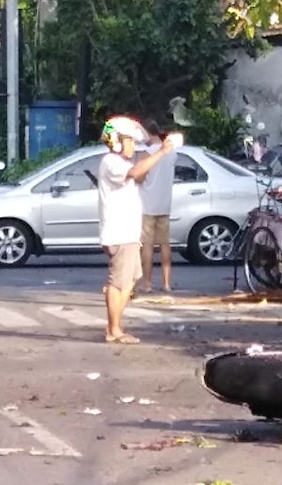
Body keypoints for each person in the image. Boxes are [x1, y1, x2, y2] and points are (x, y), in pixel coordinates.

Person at [98, 116, 174, 344]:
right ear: (116, 141)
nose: (133, 145)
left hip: (128, 233)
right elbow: (134, 174)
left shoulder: (121, 164)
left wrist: (148, 160)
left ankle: (115, 326)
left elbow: (138, 176)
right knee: (118, 282)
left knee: (129, 281)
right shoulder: (111, 162)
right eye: (129, 141)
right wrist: (161, 152)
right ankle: (114, 330)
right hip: (119, 233)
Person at [138, 119, 177, 293]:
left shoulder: (147, 153)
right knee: (164, 245)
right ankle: (166, 283)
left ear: (147, 133)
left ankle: (147, 283)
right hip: (165, 203)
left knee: (147, 245)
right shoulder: (172, 153)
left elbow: (138, 177)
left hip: (147, 204)